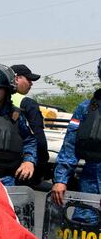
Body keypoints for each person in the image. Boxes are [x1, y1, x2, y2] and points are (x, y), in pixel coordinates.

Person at [51, 57, 101, 223]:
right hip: (90, 182)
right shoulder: (86, 108)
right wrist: (61, 179)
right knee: (83, 233)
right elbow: (70, 147)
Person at [10, 64, 48, 185]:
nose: (31, 84)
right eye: (29, 79)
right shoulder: (27, 103)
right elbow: (38, 137)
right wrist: (42, 163)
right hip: (22, 166)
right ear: (16, 78)